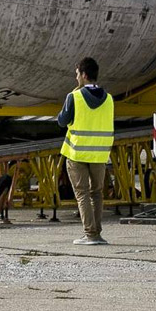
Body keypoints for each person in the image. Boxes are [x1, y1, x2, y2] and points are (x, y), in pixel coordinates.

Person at [56, 56, 114, 246]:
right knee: (97, 193)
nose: (76, 78)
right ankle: (97, 232)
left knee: (82, 194)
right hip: (99, 154)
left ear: (84, 75)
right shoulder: (109, 99)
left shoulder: (74, 97)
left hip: (77, 153)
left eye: (77, 74)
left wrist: (72, 93)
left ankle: (90, 234)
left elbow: (62, 121)